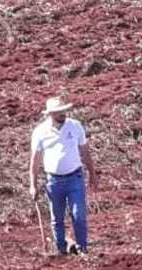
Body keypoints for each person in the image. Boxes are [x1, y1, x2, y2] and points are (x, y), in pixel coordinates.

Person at [29, 96, 99, 256]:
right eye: (59, 112)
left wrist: (92, 174)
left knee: (79, 215)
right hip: (54, 180)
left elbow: (85, 152)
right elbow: (35, 161)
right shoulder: (40, 132)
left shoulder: (75, 126)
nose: (63, 114)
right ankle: (61, 248)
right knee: (57, 218)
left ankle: (82, 247)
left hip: (75, 177)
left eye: (63, 110)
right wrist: (32, 185)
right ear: (50, 114)